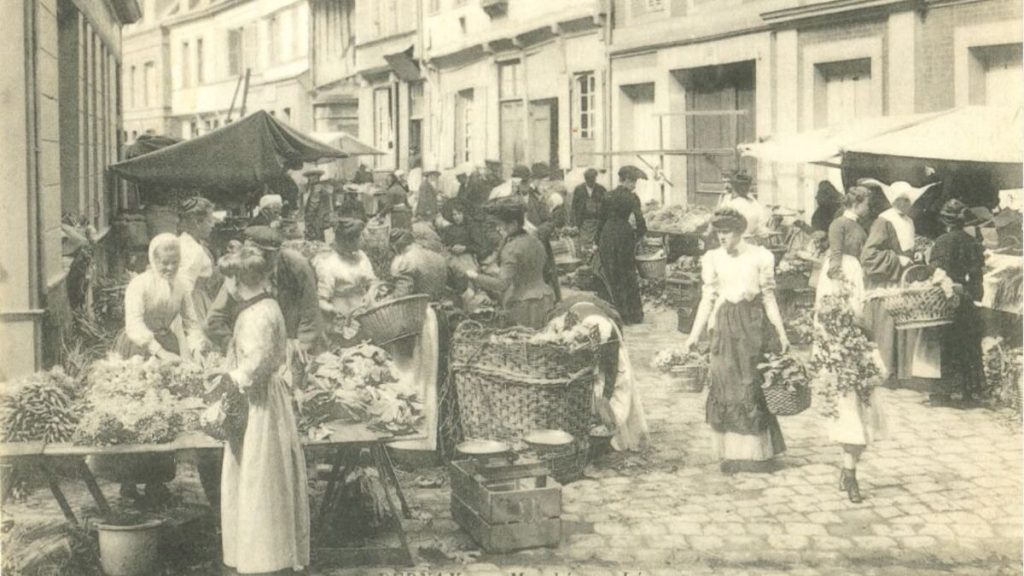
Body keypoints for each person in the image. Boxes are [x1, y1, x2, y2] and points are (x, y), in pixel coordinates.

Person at [214, 245, 310, 575]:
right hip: (268, 397)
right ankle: (265, 552)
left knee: (259, 475)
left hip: (259, 403)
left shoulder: (257, 315)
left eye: (227, 280)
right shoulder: (267, 305)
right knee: (263, 474)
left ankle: (264, 556)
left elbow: (255, 365)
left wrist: (228, 377)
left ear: (237, 281)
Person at [682, 208, 790, 474]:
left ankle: (756, 453)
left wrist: (781, 333)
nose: (721, 237)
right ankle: (730, 453)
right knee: (724, 385)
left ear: (740, 232)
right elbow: (707, 298)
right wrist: (694, 335)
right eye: (718, 232)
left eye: (726, 232)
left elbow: (768, 297)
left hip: (752, 327)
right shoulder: (713, 258)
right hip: (723, 328)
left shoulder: (760, 256)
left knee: (750, 385)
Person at [110, 234, 206, 503]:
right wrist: (158, 351)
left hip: (168, 344)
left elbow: (191, 322)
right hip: (137, 347)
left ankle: (156, 480)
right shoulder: (139, 285)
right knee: (135, 409)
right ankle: (128, 479)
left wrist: (197, 347)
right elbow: (134, 324)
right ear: (153, 259)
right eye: (164, 263)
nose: (169, 268)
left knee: (164, 412)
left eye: (174, 263)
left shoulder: (182, 286)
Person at [815, 186, 885, 503]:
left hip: (855, 272)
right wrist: (839, 285)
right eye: (867, 202)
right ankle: (841, 336)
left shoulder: (859, 225)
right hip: (843, 273)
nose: (869, 208)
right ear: (856, 202)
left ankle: (848, 470)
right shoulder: (840, 224)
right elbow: (835, 256)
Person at [547, 296, 649, 451]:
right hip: (575, 316)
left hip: (600, 322)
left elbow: (612, 369)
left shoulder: (608, 333)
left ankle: (611, 430)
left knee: (619, 383)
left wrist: (606, 399)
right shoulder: (562, 327)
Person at [205, 226, 325, 358]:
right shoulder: (240, 267)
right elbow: (214, 320)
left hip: (292, 342)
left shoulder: (297, 265)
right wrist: (231, 345)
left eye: (267, 257)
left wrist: (301, 345)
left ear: (276, 253)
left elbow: (310, 311)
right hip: (250, 347)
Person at [929, 199, 986, 406]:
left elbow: (938, 271)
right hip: (968, 298)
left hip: (948, 297)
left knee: (948, 342)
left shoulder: (943, 241)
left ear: (946, 221)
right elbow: (977, 275)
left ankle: (946, 391)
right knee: (968, 343)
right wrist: (974, 296)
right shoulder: (973, 242)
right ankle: (969, 390)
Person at [466, 198, 555, 328]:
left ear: (513, 224)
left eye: (500, 225)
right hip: (545, 300)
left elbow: (501, 285)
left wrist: (474, 276)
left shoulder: (511, 248)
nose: (498, 229)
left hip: (523, 306)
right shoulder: (535, 241)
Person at [861, 183, 918, 382]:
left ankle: (899, 371)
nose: (904, 203)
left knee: (901, 324)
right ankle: (883, 371)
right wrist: (896, 259)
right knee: (886, 325)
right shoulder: (883, 221)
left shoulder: (909, 221)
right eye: (901, 199)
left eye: (908, 200)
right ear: (893, 199)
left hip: (903, 280)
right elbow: (869, 256)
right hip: (886, 281)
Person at [594, 165, 648, 325]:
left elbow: (601, 220)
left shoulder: (607, 196)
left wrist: (597, 241)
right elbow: (640, 221)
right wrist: (639, 235)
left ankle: (612, 312)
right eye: (633, 182)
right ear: (626, 180)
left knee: (610, 273)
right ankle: (631, 315)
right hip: (624, 235)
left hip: (607, 236)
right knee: (627, 274)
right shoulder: (632, 198)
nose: (634, 185)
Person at [313, 218, 377, 320]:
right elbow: (321, 301)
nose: (363, 240)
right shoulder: (328, 262)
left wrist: (370, 293)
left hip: (364, 309)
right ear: (348, 241)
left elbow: (373, 282)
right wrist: (333, 311)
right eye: (360, 237)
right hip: (341, 313)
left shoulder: (360, 256)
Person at [389, 228, 448, 300]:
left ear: (395, 247)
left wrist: (387, 299)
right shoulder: (437, 256)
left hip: (418, 306)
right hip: (439, 302)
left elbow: (402, 293)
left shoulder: (405, 261)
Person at [719, 170, 769, 240]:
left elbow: (719, 224)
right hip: (751, 243)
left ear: (734, 188)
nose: (726, 185)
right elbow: (762, 230)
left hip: (734, 243)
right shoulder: (756, 205)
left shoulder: (730, 205)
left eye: (728, 183)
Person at [572, 168, 607, 251]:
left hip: (597, 222)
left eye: (593, 178)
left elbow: (606, 206)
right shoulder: (579, 189)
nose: (591, 181)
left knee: (596, 245)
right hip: (584, 222)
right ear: (585, 179)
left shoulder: (601, 189)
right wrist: (575, 223)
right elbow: (574, 207)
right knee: (585, 246)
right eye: (589, 179)